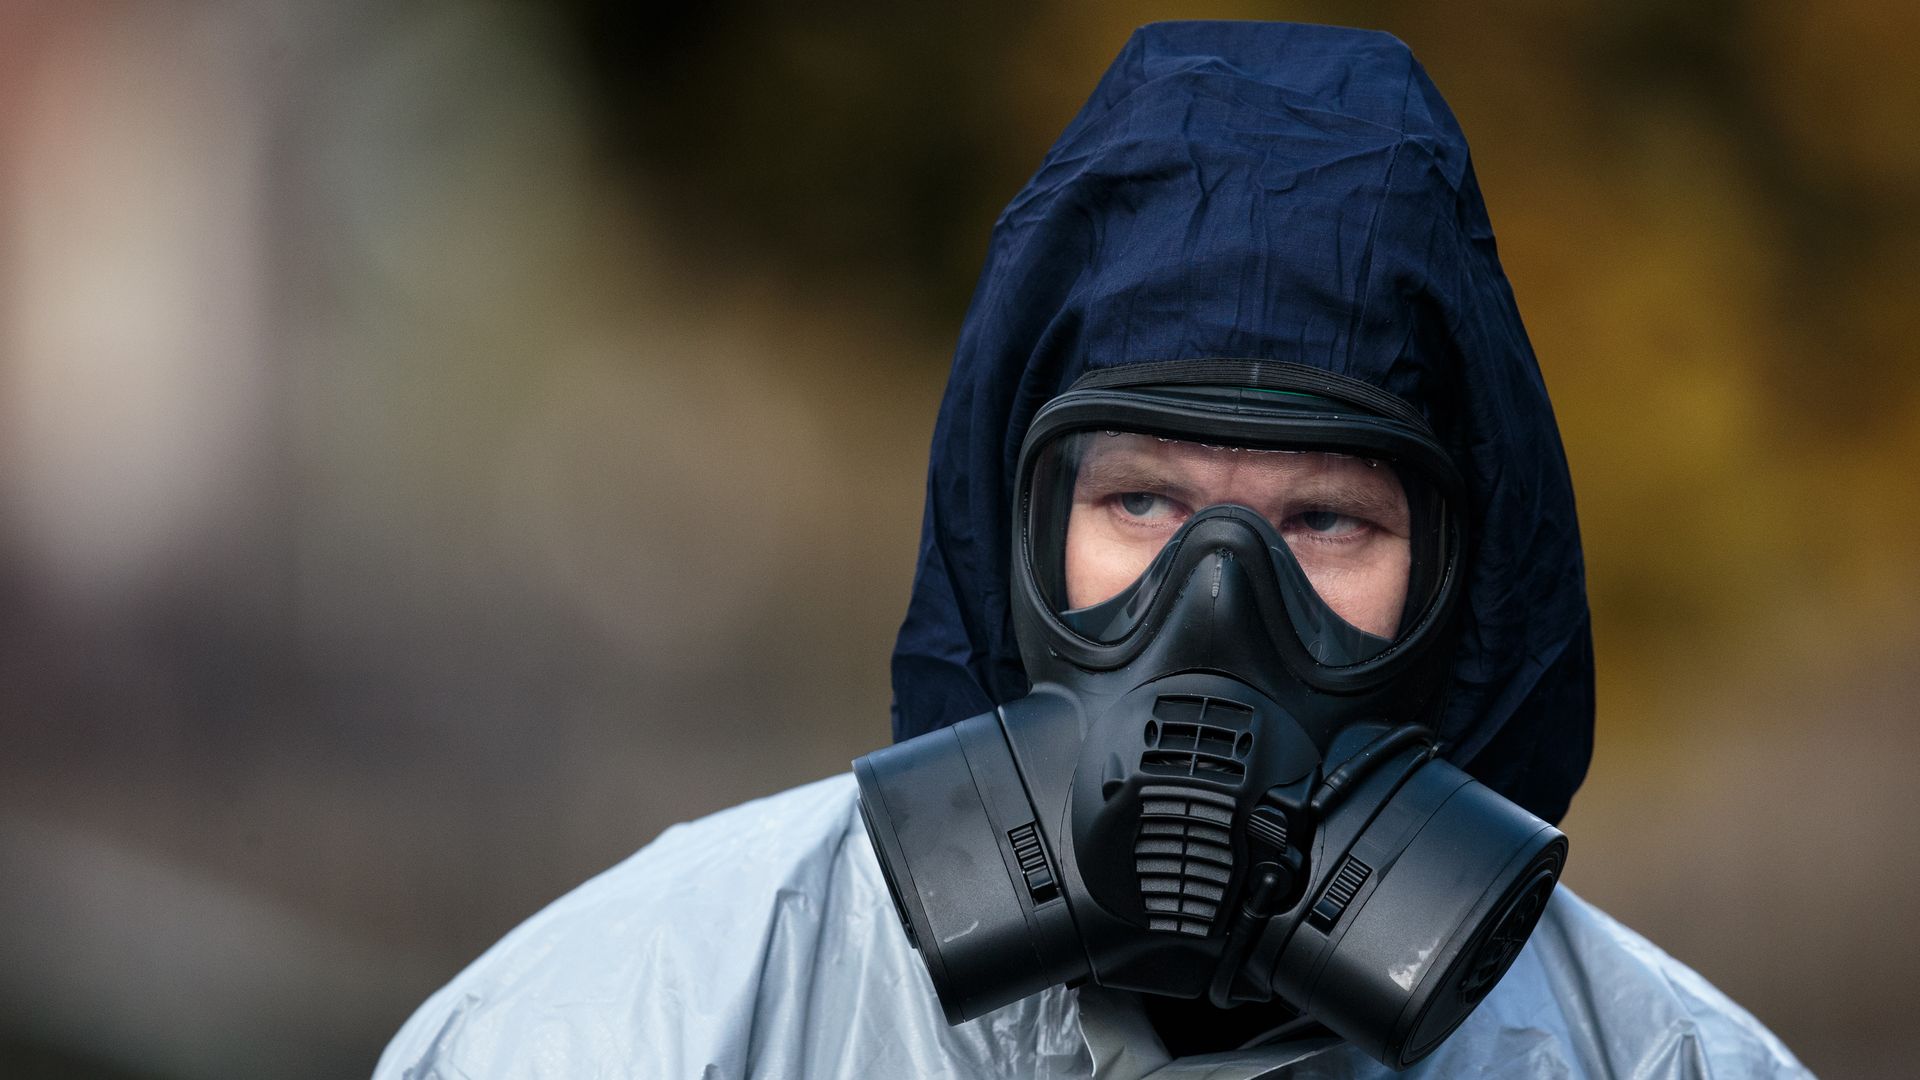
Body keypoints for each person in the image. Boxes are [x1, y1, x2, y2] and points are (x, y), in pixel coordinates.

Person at [375, 22, 1810, 1079]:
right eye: (1141, 506)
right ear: (1011, 536)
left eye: (1327, 521)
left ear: (1468, 598)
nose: (1222, 609)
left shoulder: (1658, 1064)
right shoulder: (634, 1023)